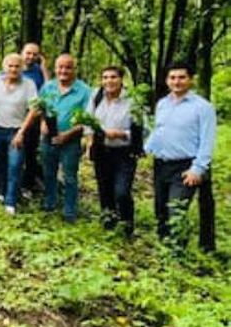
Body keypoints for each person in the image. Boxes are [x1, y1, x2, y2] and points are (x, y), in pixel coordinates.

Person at [145, 62, 216, 252]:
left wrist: (198, 168)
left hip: (186, 166)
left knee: (176, 210)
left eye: (182, 77)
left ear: (191, 79)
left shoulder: (203, 107)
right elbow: (159, 131)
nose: (177, 81)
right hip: (161, 164)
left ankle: (177, 253)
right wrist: (146, 148)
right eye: (172, 77)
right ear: (167, 80)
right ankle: (163, 249)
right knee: (160, 210)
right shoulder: (162, 104)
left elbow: (207, 140)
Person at [16, 54, 90, 222]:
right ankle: (50, 202)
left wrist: (68, 134)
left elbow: (87, 119)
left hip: (71, 140)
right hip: (48, 138)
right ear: (55, 69)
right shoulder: (48, 87)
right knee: (49, 173)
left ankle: (69, 210)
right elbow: (39, 108)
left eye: (68, 67)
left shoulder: (84, 91)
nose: (63, 71)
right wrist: (42, 122)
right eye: (60, 67)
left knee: (70, 176)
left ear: (74, 69)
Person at [84, 66, 139, 236]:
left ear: (122, 79)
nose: (109, 81)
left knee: (122, 191)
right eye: (105, 77)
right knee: (104, 188)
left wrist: (122, 134)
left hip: (124, 152)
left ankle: (127, 225)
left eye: (113, 77)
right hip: (101, 149)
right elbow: (88, 120)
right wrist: (89, 142)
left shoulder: (133, 100)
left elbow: (143, 130)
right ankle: (108, 221)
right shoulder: (96, 96)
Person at [0, 53, 37, 214]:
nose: (13, 69)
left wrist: (22, 131)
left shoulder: (29, 84)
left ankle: (11, 201)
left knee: (15, 164)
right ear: (4, 67)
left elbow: (34, 109)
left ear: (22, 68)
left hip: (17, 131)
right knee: (1, 163)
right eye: (10, 66)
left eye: (17, 66)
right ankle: (3, 191)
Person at [20, 42, 50, 192]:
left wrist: (44, 69)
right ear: (22, 53)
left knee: (31, 151)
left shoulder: (39, 71)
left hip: (34, 116)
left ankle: (28, 185)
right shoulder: (14, 68)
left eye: (34, 54)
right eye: (28, 53)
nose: (30, 57)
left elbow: (50, 89)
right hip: (15, 116)